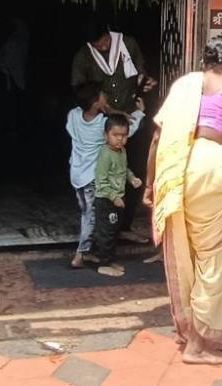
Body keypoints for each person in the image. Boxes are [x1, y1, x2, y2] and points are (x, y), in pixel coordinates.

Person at [145, 35, 222, 364]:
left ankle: (190, 329)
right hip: (214, 169)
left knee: (186, 253)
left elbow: (156, 138)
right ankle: (197, 344)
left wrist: (150, 185)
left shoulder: (184, 87)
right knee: (212, 260)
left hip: (178, 168)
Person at [71, 23, 158, 235]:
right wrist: (109, 110)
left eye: (104, 42)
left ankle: (124, 225)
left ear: (109, 33)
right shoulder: (83, 56)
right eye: (96, 45)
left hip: (130, 118)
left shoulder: (127, 43)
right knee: (106, 177)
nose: (101, 47)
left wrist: (144, 82)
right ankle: (105, 229)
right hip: (106, 123)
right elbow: (81, 90)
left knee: (134, 171)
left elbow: (140, 70)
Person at [66, 82, 141, 268]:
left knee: (85, 213)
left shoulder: (73, 115)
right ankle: (80, 255)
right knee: (91, 217)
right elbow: (125, 131)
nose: (105, 98)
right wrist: (139, 113)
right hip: (92, 178)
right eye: (102, 96)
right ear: (95, 103)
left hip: (76, 175)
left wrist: (106, 108)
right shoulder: (102, 125)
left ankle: (89, 251)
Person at [86, 113, 142, 277]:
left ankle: (107, 259)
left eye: (123, 135)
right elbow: (101, 181)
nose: (120, 139)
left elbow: (124, 170)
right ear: (106, 135)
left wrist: (132, 179)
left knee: (114, 230)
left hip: (118, 198)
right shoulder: (105, 154)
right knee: (106, 232)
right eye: (115, 135)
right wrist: (113, 197)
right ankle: (103, 264)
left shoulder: (122, 151)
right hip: (106, 200)